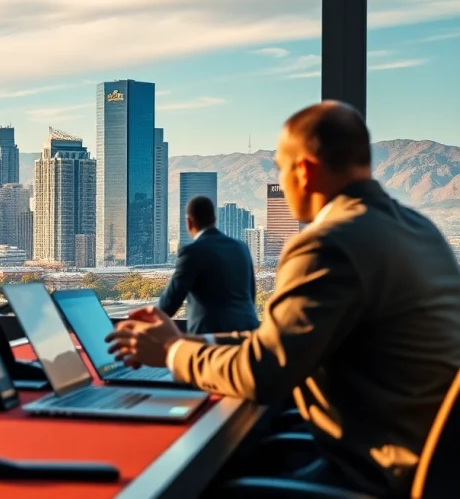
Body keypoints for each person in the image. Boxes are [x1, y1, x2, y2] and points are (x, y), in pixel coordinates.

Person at [106, 101, 460, 497]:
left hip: (370, 474)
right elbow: (281, 343)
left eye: (280, 167)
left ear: (304, 171)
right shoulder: (420, 230)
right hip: (424, 467)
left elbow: (264, 372)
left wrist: (172, 354)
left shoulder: (329, 244)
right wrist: (188, 341)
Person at [157, 195, 259, 334]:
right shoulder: (241, 247)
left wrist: (140, 321)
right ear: (214, 219)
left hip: (210, 340)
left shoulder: (192, 252)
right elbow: (251, 295)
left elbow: (169, 305)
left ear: (189, 222)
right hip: (247, 336)